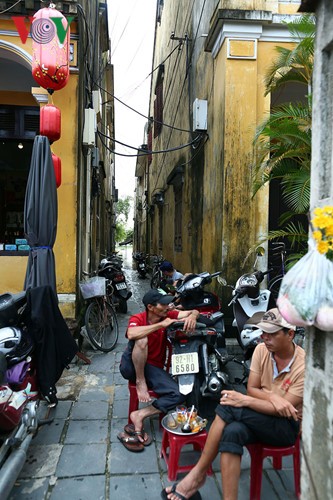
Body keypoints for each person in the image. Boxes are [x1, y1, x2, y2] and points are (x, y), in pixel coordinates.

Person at [162, 308, 305, 500]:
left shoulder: (304, 366)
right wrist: (275, 397)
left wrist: (247, 399)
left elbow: (282, 411)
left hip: (286, 426)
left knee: (229, 406)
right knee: (232, 432)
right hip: (260, 416)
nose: (264, 337)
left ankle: (196, 476)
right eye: (263, 332)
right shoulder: (262, 350)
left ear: (290, 334)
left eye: (271, 333)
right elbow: (253, 388)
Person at [119, 289, 200, 451]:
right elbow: (131, 333)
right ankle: (140, 382)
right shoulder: (139, 318)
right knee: (141, 339)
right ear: (150, 307)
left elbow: (195, 310)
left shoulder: (168, 314)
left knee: (179, 394)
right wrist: (161, 325)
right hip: (131, 367)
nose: (167, 306)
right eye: (163, 304)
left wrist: (192, 316)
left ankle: (139, 415)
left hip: (152, 368)